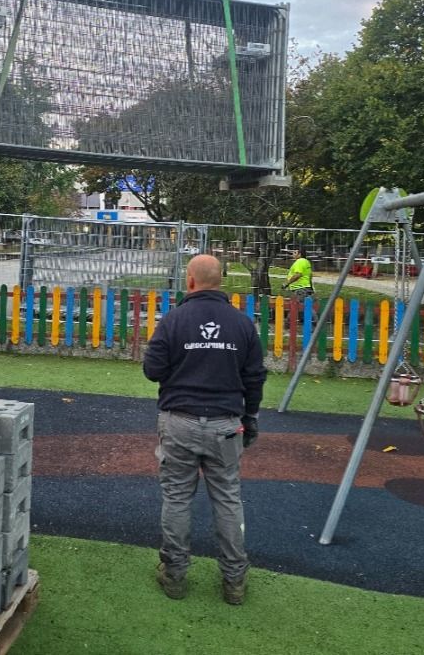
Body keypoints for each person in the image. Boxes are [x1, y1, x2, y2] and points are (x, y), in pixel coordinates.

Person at [143, 254, 267, 606]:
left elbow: (153, 370)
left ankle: (175, 574)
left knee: (177, 497)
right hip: (227, 425)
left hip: (179, 422)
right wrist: (251, 417)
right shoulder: (242, 324)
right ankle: (234, 581)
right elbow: (254, 377)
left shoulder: (173, 320)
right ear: (220, 280)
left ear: (191, 281)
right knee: (227, 498)